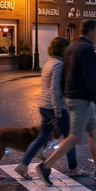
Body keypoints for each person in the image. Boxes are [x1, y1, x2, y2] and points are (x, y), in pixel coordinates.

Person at [37, 20, 96, 185]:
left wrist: (65, 94)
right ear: (90, 32)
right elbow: (89, 76)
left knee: (94, 131)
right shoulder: (87, 49)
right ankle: (46, 166)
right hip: (81, 98)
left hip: (75, 97)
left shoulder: (70, 48)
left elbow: (64, 75)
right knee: (74, 136)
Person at [18, 37, 83, 178]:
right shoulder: (58, 64)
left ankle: (23, 165)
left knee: (42, 137)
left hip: (44, 105)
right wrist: (58, 110)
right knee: (70, 137)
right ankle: (74, 168)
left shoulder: (48, 62)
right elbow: (54, 88)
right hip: (54, 107)